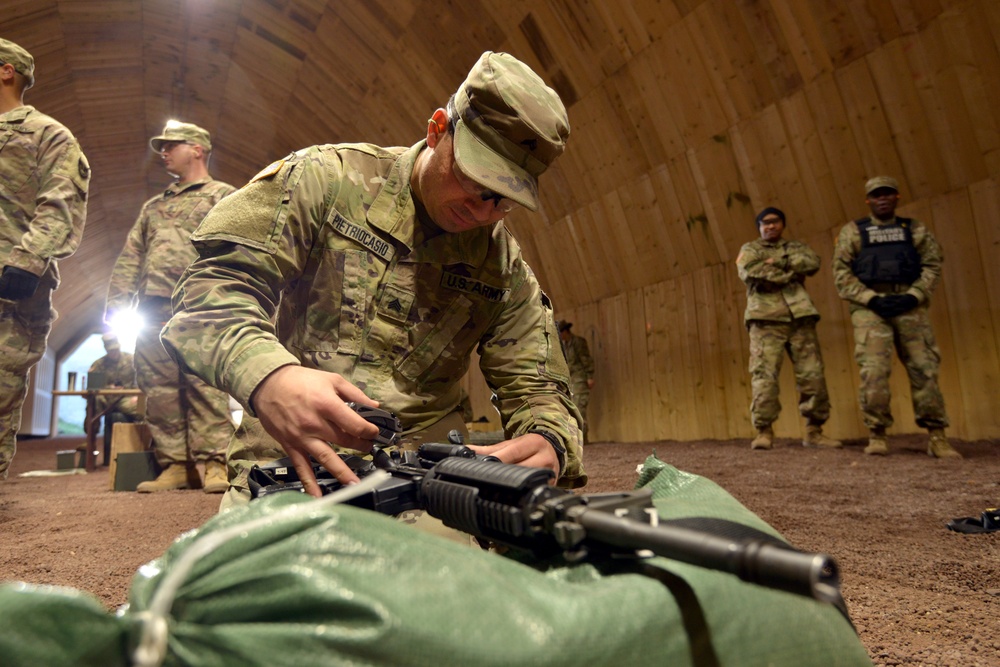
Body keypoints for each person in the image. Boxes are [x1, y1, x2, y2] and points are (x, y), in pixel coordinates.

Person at [161, 51, 587, 508]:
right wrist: (269, 376)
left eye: (503, 200)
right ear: (438, 128)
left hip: (429, 485)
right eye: (474, 179)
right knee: (248, 578)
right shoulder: (324, 181)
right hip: (294, 465)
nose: (483, 211)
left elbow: (540, 386)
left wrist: (550, 441)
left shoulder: (502, 266)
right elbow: (208, 293)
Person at [105, 121, 237, 492]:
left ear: (197, 149)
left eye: (171, 145)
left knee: (204, 383)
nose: (163, 152)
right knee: (159, 390)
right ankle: (176, 465)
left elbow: (237, 251)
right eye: (161, 146)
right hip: (153, 309)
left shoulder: (223, 196)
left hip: (200, 304)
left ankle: (214, 463)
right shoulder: (153, 207)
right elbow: (130, 258)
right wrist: (116, 304)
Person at [0, 38, 90, 479]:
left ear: (7, 71)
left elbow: (60, 203)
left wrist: (25, 262)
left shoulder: (46, 134)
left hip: (11, 286)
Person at [832, 176, 961, 458]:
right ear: (868, 200)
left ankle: (937, 436)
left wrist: (914, 295)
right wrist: (870, 299)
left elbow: (932, 264)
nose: (883, 198)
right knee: (874, 372)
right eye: (877, 195)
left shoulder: (915, 230)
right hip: (870, 309)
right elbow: (841, 275)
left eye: (888, 194)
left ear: (897, 197)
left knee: (924, 368)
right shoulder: (853, 232)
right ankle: (877, 434)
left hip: (910, 305)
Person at [736, 207, 841, 451]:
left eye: (775, 222)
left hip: (800, 319)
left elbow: (812, 262)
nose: (771, 226)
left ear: (783, 224)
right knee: (765, 377)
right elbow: (750, 271)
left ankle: (814, 432)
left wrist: (778, 262)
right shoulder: (750, 250)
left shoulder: (795, 247)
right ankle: (764, 431)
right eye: (765, 223)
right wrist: (788, 273)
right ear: (759, 227)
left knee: (812, 375)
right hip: (765, 321)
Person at [87, 333, 142, 465]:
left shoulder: (131, 360)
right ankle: (90, 436)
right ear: (106, 349)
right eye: (111, 350)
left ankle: (144, 443)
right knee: (94, 403)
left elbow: (142, 379)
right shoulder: (99, 364)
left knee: (141, 409)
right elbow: (92, 387)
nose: (114, 352)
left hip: (126, 398)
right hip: (106, 399)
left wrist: (137, 395)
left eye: (115, 349)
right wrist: (109, 388)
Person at [557, 321, 595, 442]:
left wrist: (589, 376)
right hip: (571, 381)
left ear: (565, 331)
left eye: (561, 333)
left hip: (580, 379)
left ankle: (582, 439)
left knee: (579, 409)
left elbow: (586, 359)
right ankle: (579, 440)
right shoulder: (564, 344)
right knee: (572, 410)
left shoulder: (578, 342)